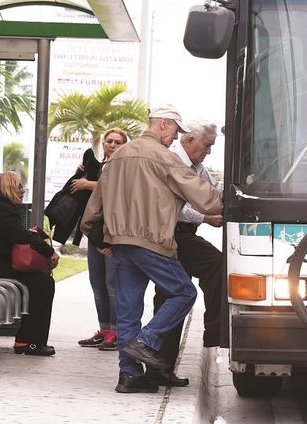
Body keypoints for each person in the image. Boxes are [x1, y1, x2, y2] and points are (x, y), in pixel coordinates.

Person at [80, 104, 223, 394]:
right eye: (174, 131)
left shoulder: (118, 156)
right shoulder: (164, 157)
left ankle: (129, 376)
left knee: (128, 312)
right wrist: (231, 202)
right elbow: (203, 197)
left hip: (120, 244)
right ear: (162, 123)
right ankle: (146, 341)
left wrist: (96, 238)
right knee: (184, 292)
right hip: (152, 241)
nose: (175, 138)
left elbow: (96, 204)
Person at [153, 122, 224, 384]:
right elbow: (174, 206)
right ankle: (214, 330)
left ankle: (161, 369)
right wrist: (205, 217)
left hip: (184, 234)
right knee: (215, 264)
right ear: (190, 139)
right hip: (172, 233)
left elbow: (214, 192)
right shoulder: (173, 162)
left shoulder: (198, 168)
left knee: (172, 297)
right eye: (207, 145)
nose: (208, 151)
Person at [0, 171, 59, 356]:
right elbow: (19, 235)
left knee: (40, 283)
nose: (22, 191)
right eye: (20, 187)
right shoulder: (2, 209)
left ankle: (26, 340)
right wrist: (48, 250)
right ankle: (30, 342)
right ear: (9, 188)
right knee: (43, 284)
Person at [74, 127, 129, 352]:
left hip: (113, 235)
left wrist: (88, 184)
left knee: (112, 285)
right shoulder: (99, 167)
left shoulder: (125, 166)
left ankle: (116, 331)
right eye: (110, 141)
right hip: (95, 233)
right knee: (97, 284)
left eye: (118, 142)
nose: (113, 145)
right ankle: (104, 329)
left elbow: (115, 190)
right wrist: (81, 175)